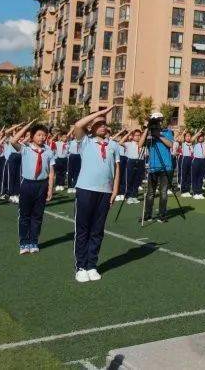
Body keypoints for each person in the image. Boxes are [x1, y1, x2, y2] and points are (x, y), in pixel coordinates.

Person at [71, 107, 122, 283]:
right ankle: (81, 266)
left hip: (105, 191)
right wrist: (100, 113)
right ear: (92, 127)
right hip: (85, 189)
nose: (102, 126)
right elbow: (78, 125)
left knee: (97, 230)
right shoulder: (85, 141)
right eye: (98, 124)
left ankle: (92, 264)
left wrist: (115, 190)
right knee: (83, 229)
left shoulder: (113, 145)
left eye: (104, 124)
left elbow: (116, 168)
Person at [18, 124, 55, 254]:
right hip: (27, 184)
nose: (42, 137)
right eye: (39, 135)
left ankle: (34, 241)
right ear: (32, 136)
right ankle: (23, 242)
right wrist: (27, 127)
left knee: (37, 216)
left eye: (44, 135)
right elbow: (12, 141)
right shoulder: (26, 148)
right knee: (24, 215)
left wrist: (50, 189)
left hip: (42, 185)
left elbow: (51, 172)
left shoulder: (49, 151)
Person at [142, 113, 175, 224]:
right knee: (150, 193)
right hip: (152, 167)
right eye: (155, 121)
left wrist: (158, 135)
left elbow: (170, 144)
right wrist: (147, 129)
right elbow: (140, 144)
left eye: (159, 121)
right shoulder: (149, 133)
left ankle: (162, 215)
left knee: (163, 192)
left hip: (166, 166)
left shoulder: (167, 132)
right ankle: (147, 214)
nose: (158, 123)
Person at [190, 132, 205, 199]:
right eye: (199, 137)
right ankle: (195, 193)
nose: (201, 138)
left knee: (201, 177)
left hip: (203, 160)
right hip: (196, 160)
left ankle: (199, 192)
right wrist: (198, 133)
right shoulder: (194, 144)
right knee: (195, 177)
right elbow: (191, 139)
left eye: (202, 137)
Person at [178, 130, 194, 197]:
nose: (188, 137)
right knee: (183, 175)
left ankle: (187, 190)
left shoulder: (192, 144)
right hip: (184, 159)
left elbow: (192, 152)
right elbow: (179, 140)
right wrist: (183, 133)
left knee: (189, 175)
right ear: (185, 137)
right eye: (187, 136)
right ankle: (183, 191)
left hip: (191, 159)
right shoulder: (183, 143)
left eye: (189, 136)